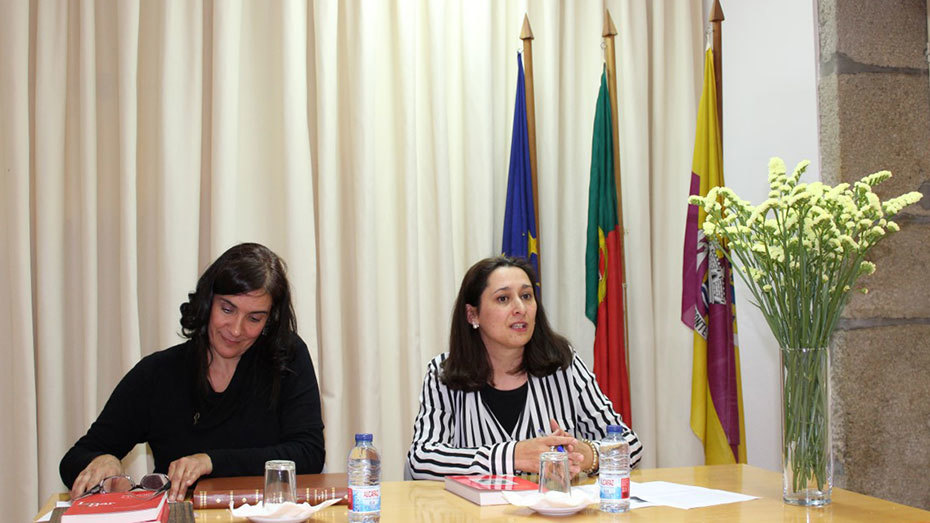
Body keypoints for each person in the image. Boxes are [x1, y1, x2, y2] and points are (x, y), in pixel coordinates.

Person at [60, 243, 325, 501]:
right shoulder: (159, 373)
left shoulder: (286, 358)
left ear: (270, 320)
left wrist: (211, 462)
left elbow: (309, 454)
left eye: (254, 318)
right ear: (208, 302)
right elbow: (74, 460)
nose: (236, 329)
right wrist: (103, 460)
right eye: (227, 309)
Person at [406, 256, 642, 480]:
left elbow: (630, 445)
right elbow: (421, 459)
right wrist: (514, 456)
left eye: (527, 296)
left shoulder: (563, 365)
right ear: (472, 314)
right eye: (503, 299)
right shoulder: (444, 373)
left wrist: (585, 455)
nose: (521, 308)